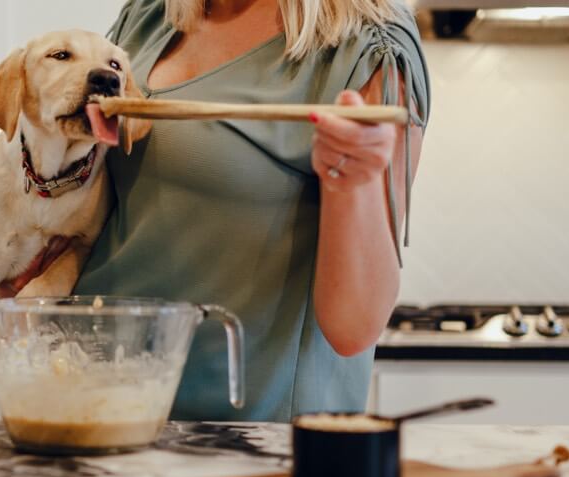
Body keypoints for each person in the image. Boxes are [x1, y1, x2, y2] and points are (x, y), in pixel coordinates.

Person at [74, 0, 429, 421]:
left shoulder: (370, 43)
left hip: (247, 434)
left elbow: (353, 327)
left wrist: (354, 181)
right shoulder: (149, 17)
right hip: (95, 400)